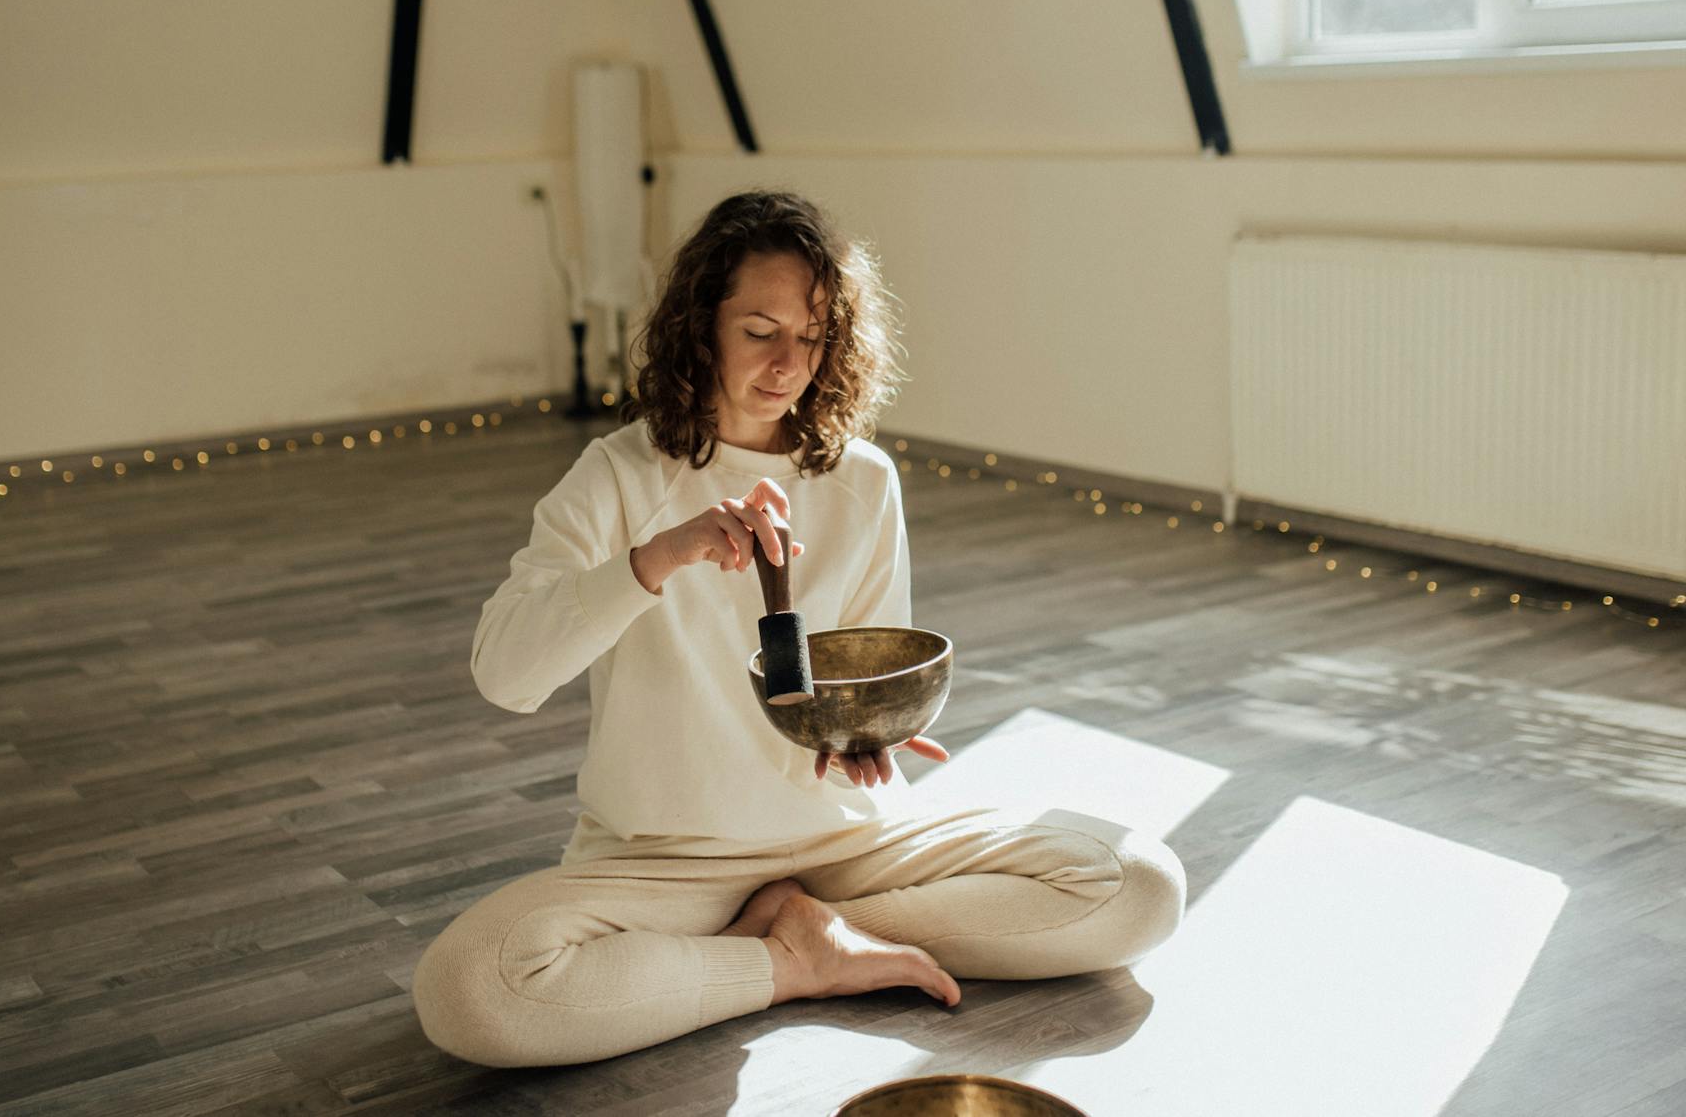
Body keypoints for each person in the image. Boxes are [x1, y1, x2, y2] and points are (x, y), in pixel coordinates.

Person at [413, 190, 1184, 1068]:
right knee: (472, 988)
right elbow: (504, 674)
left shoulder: (864, 480)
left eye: (812, 337)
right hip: (670, 856)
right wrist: (653, 559)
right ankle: (786, 960)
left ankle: (814, 928)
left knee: (1140, 885)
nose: (788, 363)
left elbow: (862, 665)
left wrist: (868, 736)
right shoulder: (618, 474)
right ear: (700, 327)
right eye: (760, 329)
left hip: (849, 841)